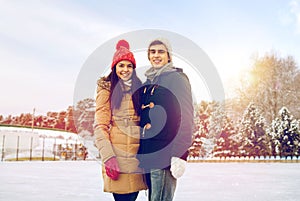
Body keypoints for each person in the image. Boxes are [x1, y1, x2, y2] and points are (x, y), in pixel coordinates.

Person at [138, 38, 194, 201]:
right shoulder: (149, 82)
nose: (156, 55)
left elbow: (186, 116)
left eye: (161, 51)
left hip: (165, 153)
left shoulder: (176, 78)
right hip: (149, 153)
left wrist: (180, 153)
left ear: (169, 56)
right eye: (152, 52)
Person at [94, 39, 147, 201]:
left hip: (138, 158)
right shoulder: (107, 90)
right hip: (118, 157)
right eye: (121, 65)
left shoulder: (139, 89)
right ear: (114, 67)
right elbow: (100, 126)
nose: (125, 69)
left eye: (129, 66)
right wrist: (109, 157)